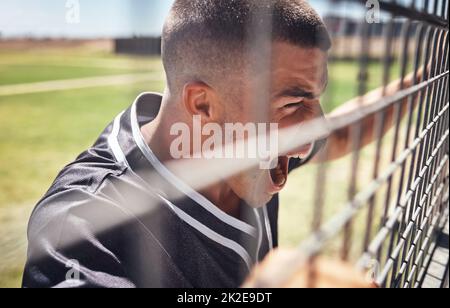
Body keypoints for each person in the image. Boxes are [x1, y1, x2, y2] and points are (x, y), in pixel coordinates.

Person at [23, 0, 420, 288]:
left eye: (316, 99)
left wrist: (429, 77)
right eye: (294, 102)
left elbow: (345, 130)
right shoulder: (80, 223)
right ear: (203, 104)